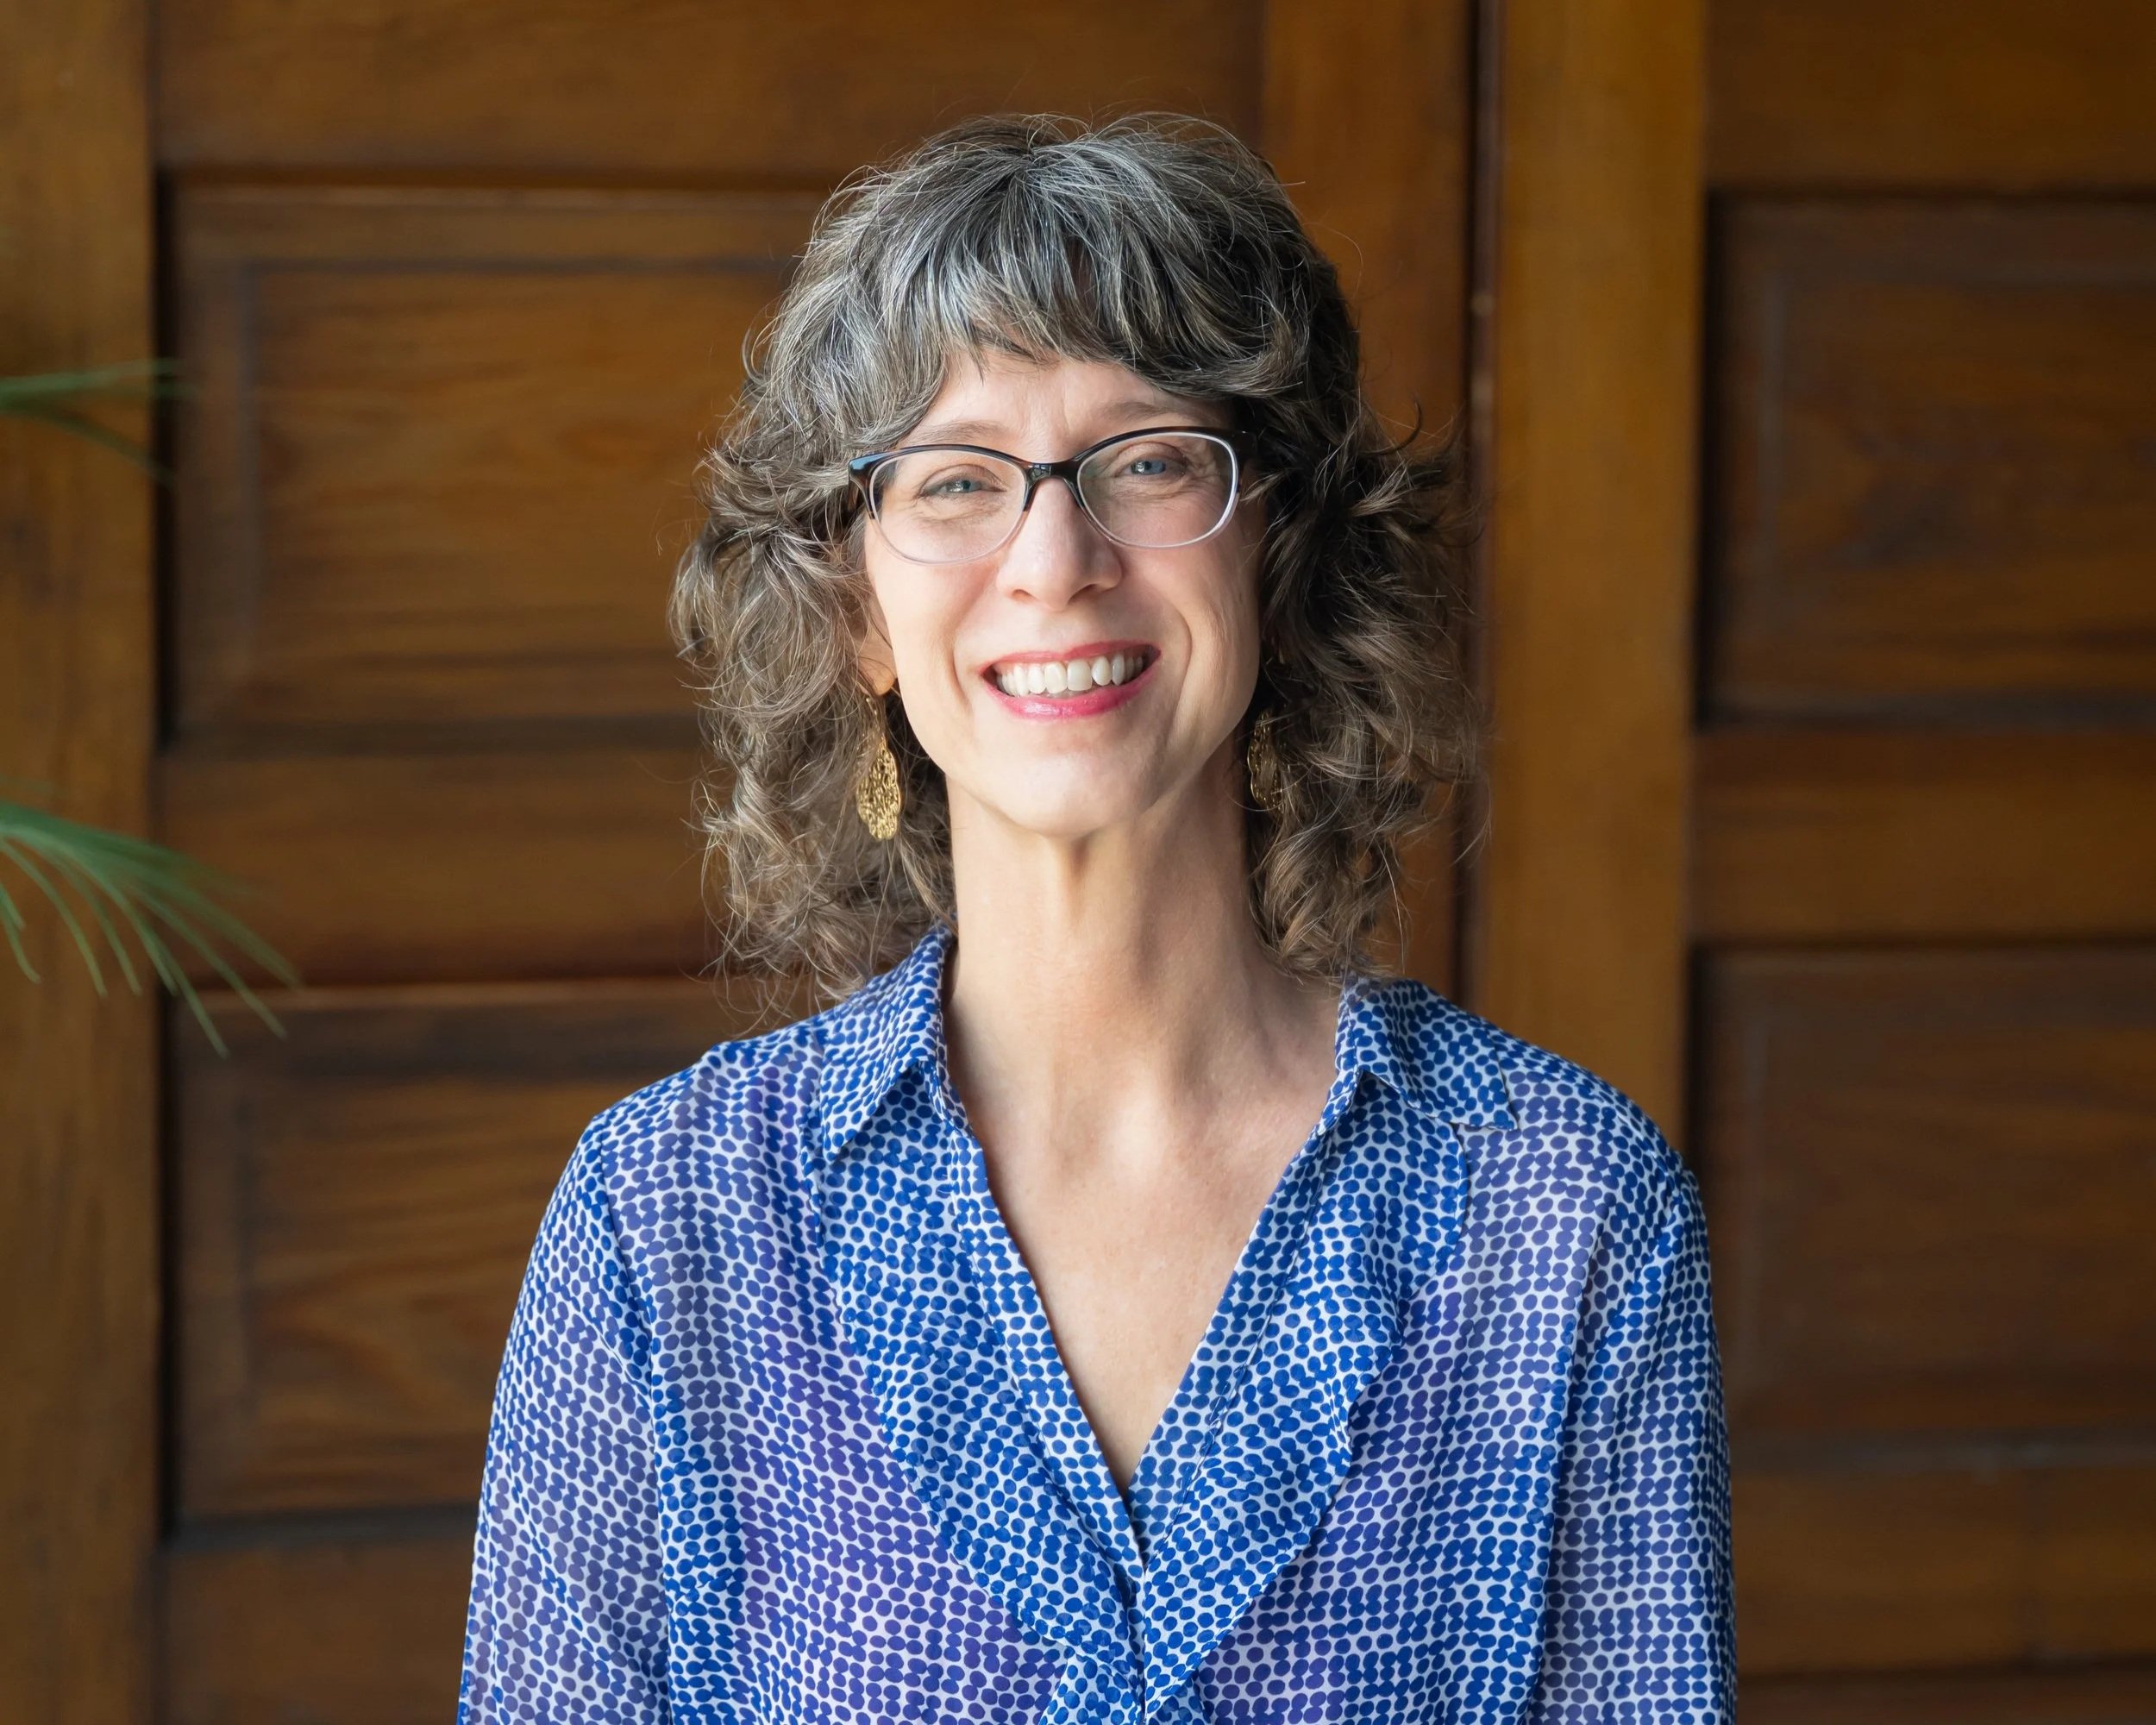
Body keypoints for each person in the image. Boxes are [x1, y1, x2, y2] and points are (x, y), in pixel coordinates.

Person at [456, 112, 1734, 1725]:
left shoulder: (1563, 1215)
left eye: (1146, 461)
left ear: (1278, 553)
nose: (1054, 562)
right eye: (957, 480)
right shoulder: (666, 1224)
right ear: (855, 610)